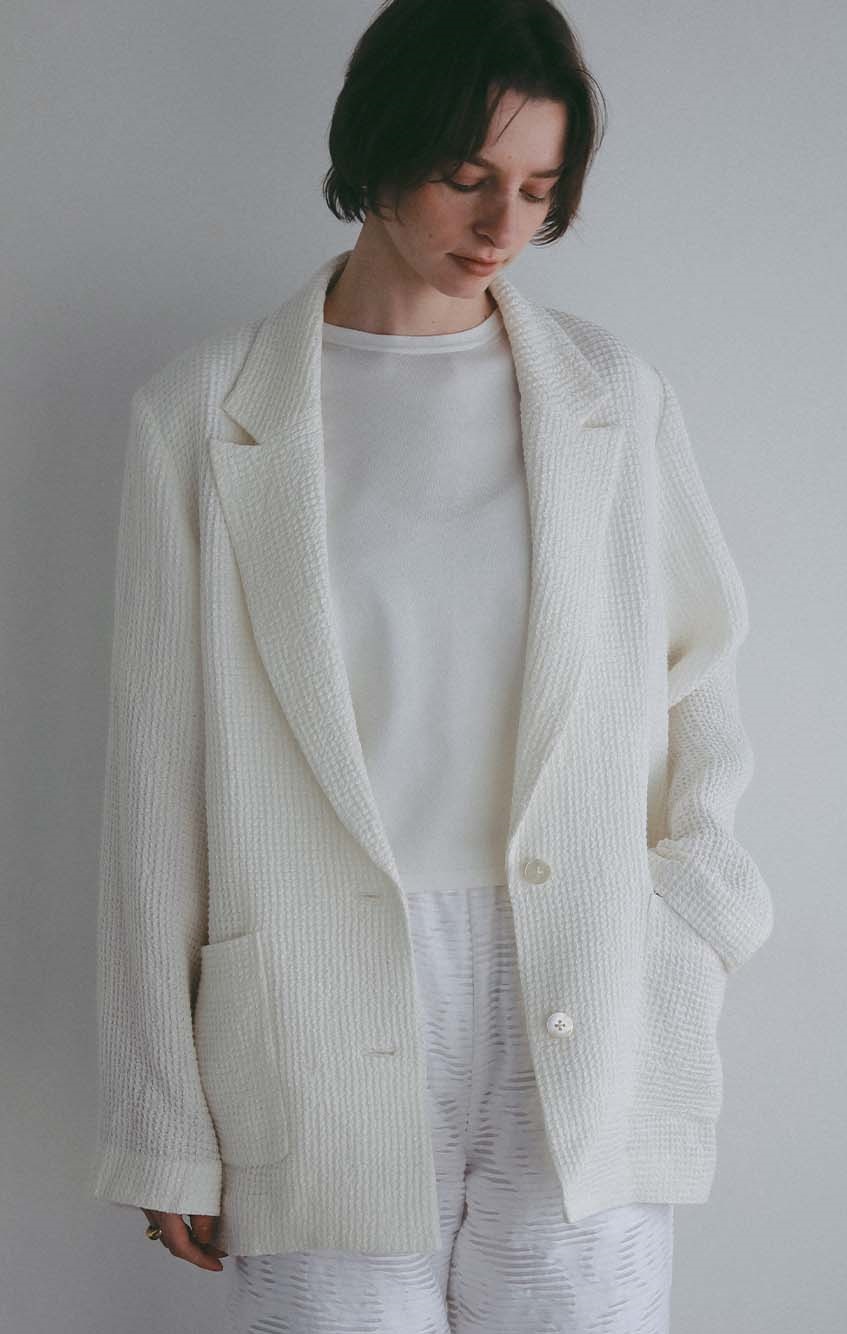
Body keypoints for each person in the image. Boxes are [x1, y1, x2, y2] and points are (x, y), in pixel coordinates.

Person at [90, 0, 774, 1329]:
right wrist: (163, 1119)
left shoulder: (609, 396)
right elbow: (153, 782)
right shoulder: (203, 413)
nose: (503, 222)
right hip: (313, 1000)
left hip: (586, 977)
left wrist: (692, 914)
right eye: (467, 176)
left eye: (539, 189)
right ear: (381, 149)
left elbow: (702, 678)